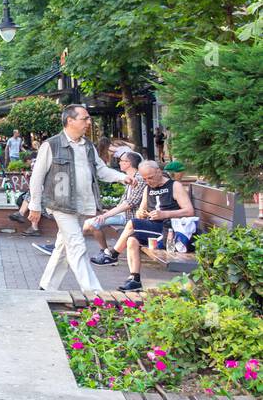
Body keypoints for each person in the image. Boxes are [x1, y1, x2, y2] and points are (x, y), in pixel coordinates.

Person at [27, 105, 128, 292]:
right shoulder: (51, 145)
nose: (89, 123)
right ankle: (95, 294)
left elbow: (101, 170)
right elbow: (37, 176)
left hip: (83, 204)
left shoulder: (88, 146)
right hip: (61, 204)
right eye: (85, 119)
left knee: (64, 247)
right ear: (70, 121)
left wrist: (122, 177)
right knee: (76, 245)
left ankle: (46, 287)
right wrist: (34, 205)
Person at [99, 160, 195, 292]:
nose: (148, 181)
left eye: (150, 177)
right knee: (132, 240)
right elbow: (140, 212)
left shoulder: (175, 186)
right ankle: (135, 280)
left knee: (132, 223)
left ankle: (112, 254)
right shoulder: (147, 188)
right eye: (145, 179)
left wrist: (165, 214)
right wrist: (141, 213)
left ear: (159, 172)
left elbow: (189, 211)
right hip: (153, 228)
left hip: (169, 230)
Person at [85, 150, 145, 267]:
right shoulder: (129, 178)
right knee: (91, 224)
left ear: (129, 163)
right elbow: (124, 201)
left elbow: (129, 203)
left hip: (131, 217)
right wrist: (111, 211)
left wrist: (106, 215)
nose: (119, 163)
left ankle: (64, 245)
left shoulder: (139, 179)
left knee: (91, 223)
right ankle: (106, 252)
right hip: (125, 215)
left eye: (121, 161)